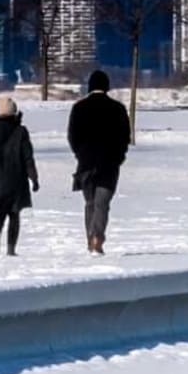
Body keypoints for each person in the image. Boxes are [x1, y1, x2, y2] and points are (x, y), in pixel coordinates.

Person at [68, 71, 133, 255]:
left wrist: (80, 155)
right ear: (107, 86)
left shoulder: (79, 108)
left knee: (90, 203)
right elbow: (125, 137)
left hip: (86, 164)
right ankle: (97, 237)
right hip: (109, 164)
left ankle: (91, 238)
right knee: (102, 204)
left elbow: (72, 136)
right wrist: (119, 156)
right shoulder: (118, 109)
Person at [0, 97, 41, 255]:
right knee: (14, 214)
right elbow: (28, 158)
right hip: (16, 181)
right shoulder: (20, 132)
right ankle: (11, 249)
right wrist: (34, 178)